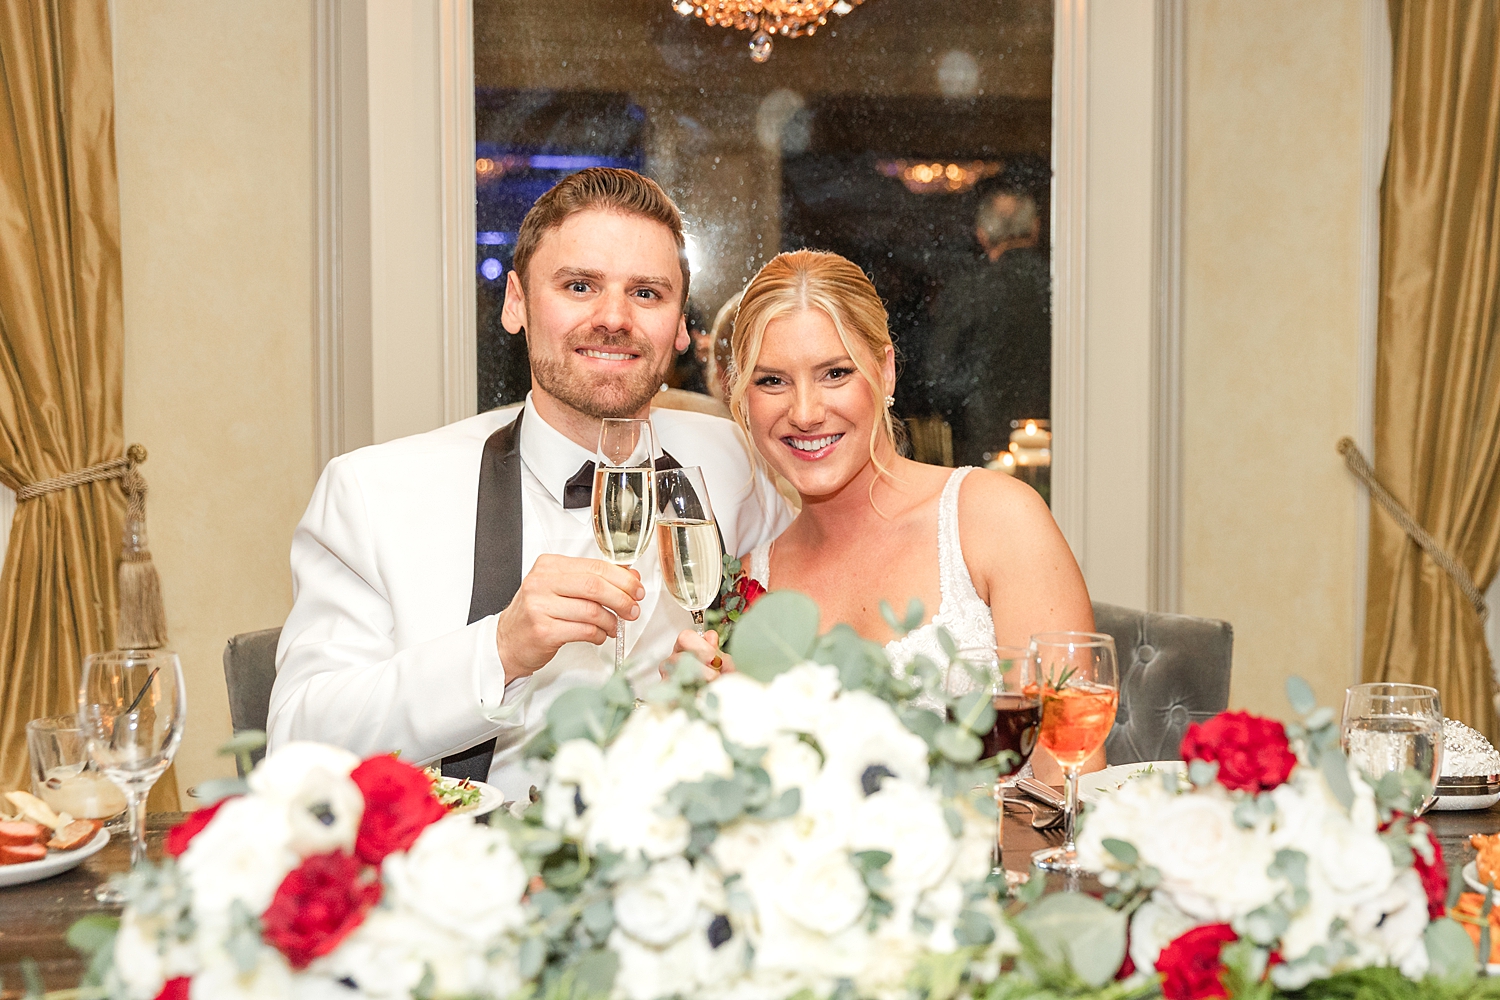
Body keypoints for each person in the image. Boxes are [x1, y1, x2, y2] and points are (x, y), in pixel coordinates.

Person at [268, 168, 792, 801]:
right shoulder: (374, 494)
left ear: (681, 324)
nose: (614, 318)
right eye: (579, 286)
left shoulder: (740, 463)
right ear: (515, 302)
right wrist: (499, 649)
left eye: (647, 294)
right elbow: (296, 740)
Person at [674, 249, 1094, 771]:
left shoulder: (995, 520)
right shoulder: (751, 579)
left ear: (887, 372)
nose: (804, 413)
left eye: (834, 373)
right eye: (771, 381)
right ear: (741, 397)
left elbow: (1072, 785)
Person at [923, 186, 1051, 467]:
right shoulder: (1063, 289)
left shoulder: (968, 292)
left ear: (981, 234)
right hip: (1061, 443)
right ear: (1036, 228)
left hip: (986, 449)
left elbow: (938, 378)